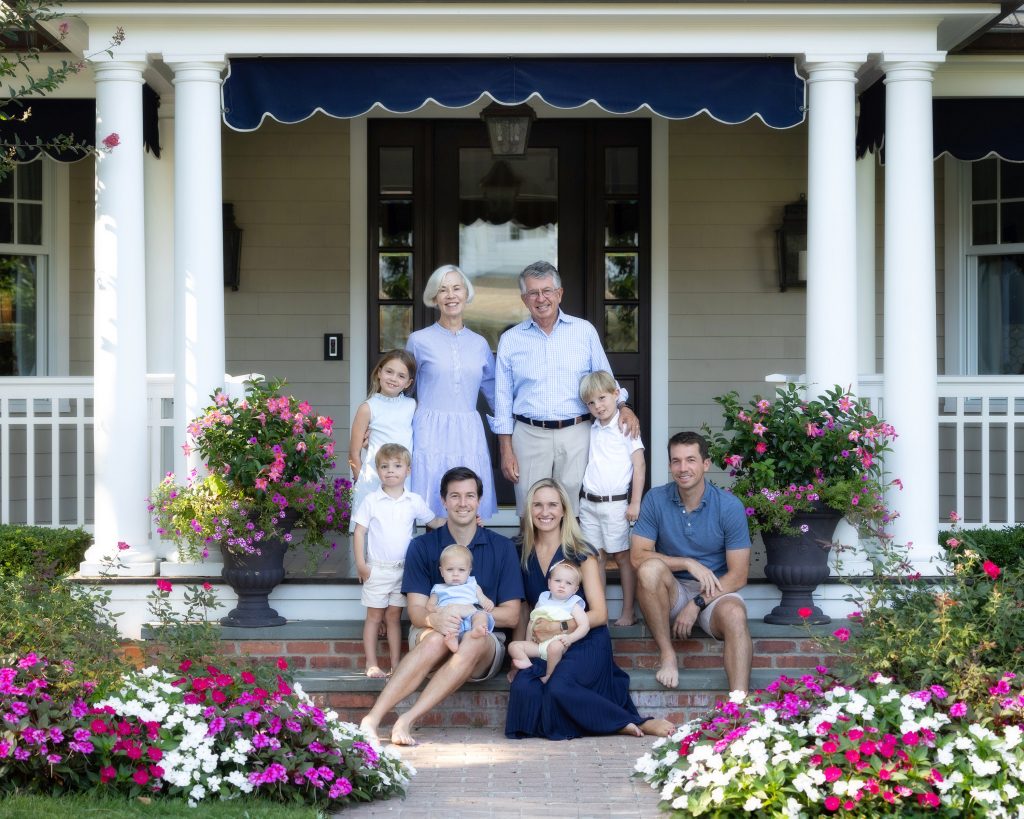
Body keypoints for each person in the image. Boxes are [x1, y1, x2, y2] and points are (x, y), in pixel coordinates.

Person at [360, 467, 524, 746]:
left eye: (470, 496)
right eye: (455, 496)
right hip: (432, 632)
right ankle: (372, 719)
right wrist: (436, 620)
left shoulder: (502, 548)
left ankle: (407, 720)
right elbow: (416, 611)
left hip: (484, 642)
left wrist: (472, 614)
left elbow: (512, 615)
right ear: (443, 501)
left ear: (479, 500)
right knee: (436, 640)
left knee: (475, 638)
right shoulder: (422, 546)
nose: (463, 503)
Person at [504, 478, 673, 740]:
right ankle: (598, 723)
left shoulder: (582, 552)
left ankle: (629, 721)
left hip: (584, 640)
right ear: (529, 510)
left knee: (559, 687)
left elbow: (600, 614)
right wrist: (517, 657)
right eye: (537, 505)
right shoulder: (518, 551)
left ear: (563, 510)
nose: (545, 512)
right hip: (541, 645)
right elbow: (524, 609)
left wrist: (559, 627)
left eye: (552, 505)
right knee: (525, 689)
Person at [490, 261, 639, 516]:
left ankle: (568, 557)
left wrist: (623, 407)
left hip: (576, 433)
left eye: (547, 290)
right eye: (533, 293)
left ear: (559, 294)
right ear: (524, 299)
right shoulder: (511, 339)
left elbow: (606, 380)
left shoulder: (584, 332)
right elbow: (502, 399)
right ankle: (532, 557)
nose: (541, 298)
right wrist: (506, 449)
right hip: (528, 434)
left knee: (573, 510)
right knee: (531, 509)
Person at [630, 431, 753, 694]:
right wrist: (686, 562)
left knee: (735, 614)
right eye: (676, 461)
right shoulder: (656, 499)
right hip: (672, 589)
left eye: (690, 460)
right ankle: (668, 655)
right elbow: (638, 556)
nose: (683, 468)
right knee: (649, 569)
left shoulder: (729, 506)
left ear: (706, 464)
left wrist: (697, 604)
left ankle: (739, 705)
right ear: (669, 465)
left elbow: (739, 576)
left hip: (714, 590)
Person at [406, 264, 497, 519]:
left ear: (466, 294)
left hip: (467, 429)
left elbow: (493, 392)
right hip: (429, 429)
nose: (451, 295)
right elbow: (403, 390)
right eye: (443, 290)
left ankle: (467, 556)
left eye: (456, 288)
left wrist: (512, 430)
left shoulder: (479, 344)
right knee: (431, 498)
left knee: (467, 495)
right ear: (434, 298)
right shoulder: (418, 340)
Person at [351, 443, 446, 678]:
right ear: (377, 471)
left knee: (393, 617)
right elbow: (360, 532)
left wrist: (463, 519)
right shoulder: (371, 500)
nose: (391, 470)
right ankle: (371, 663)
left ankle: (395, 665)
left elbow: (435, 522)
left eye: (397, 465)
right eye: (385, 466)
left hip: (403, 571)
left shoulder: (413, 501)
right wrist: (362, 565)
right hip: (377, 569)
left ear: (408, 470)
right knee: (374, 617)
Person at [578, 370, 645, 626]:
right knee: (596, 559)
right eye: (591, 403)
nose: (598, 406)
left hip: (616, 503)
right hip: (589, 504)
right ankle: (600, 611)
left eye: (603, 398)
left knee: (622, 557)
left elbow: (639, 466)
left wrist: (635, 502)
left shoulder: (626, 426)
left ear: (617, 395)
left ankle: (628, 611)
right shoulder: (592, 428)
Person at [348, 349, 418, 532]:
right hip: (373, 481)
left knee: (399, 531)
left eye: (401, 375)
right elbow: (354, 453)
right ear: (379, 373)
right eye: (389, 371)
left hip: (402, 480)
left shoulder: (412, 406)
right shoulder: (368, 408)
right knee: (373, 533)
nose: (394, 378)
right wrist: (361, 481)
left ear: (408, 383)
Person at [508, 560, 589, 684]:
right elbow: (532, 622)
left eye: (568, 583)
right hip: (539, 645)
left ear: (575, 589)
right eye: (558, 581)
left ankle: (549, 675)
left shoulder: (573, 604)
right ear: (549, 583)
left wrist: (570, 638)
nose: (562, 585)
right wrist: (529, 642)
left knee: (554, 647)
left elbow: (584, 625)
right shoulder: (543, 599)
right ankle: (528, 665)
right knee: (513, 646)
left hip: (560, 643)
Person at [427, 543, 496, 653]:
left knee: (481, 614)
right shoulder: (439, 589)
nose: (455, 574)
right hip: (452, 618)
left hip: (470, 615)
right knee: (450, 621)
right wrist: (439, 610)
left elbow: (482, 599)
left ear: (469, 571)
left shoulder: (473, 584)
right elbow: (430, 606)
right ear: (441, 571)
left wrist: (487, 602)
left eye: (461, 570)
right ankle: (452, 641)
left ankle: (478, 628)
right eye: (449, 569)